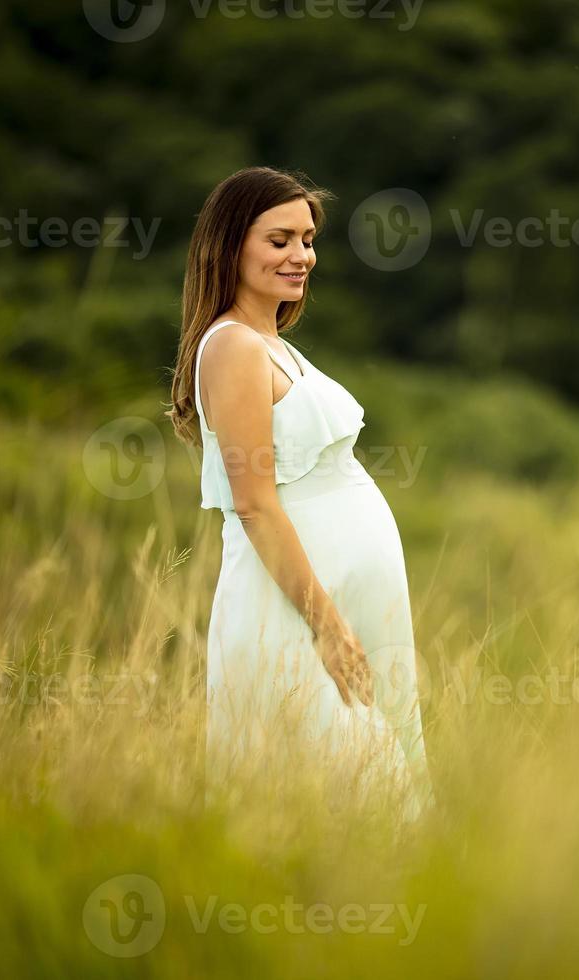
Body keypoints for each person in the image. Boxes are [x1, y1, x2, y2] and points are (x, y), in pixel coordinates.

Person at [167, 166, 435, 825]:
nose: (301, 256)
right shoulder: (230, 346)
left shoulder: (272, 344)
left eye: (308, 239)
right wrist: (327, 623)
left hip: (329, 605)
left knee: (369, 792)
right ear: (230, 245)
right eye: (279, 239)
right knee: (336, 794)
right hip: (292, 613)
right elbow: (254, 503)